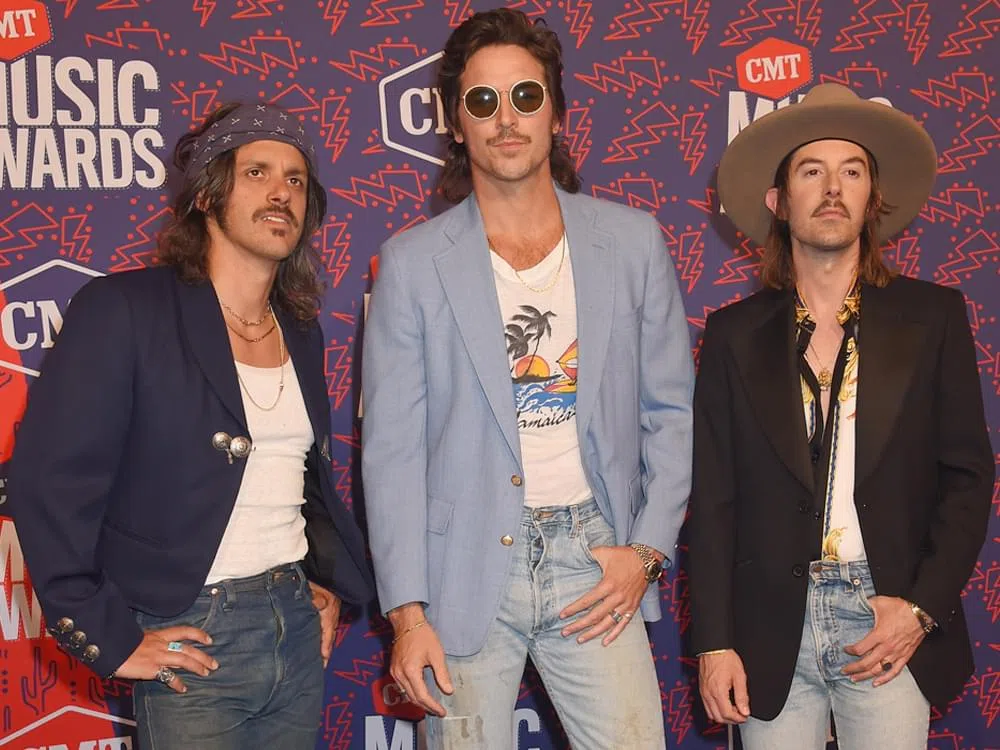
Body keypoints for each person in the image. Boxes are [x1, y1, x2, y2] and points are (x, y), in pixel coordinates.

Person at [361, 8, 693, 749]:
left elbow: (671, 413)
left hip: (594, 560)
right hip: (461, 569)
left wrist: (646, 553)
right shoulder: (411, 264)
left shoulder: (634, 244)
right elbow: (392, 452)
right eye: (482, 101)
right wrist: (408, 615)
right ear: (455, 122)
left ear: (557, 113)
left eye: (526, 96)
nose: (506, 118)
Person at [6, 100, 375, 750]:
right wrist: (107, 636)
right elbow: (45, 482)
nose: (281, 192)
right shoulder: (123, 309)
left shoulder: (302, 331)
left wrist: (320, 581)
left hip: (294, 625)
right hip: (193, 631)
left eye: (295, 179)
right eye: (257, 172)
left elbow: (301, 480)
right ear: (206, 194)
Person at [688, 83, 994, 749]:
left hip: (886, 620)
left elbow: (969, 478)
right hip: (769, 629)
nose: (833, 188)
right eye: (811, 171)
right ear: (778, 201)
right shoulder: (733, 335)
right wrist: (714, 641)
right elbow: (712, 500)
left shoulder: (934, 317)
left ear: (872, 198)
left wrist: (920, 609)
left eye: (851, 172)